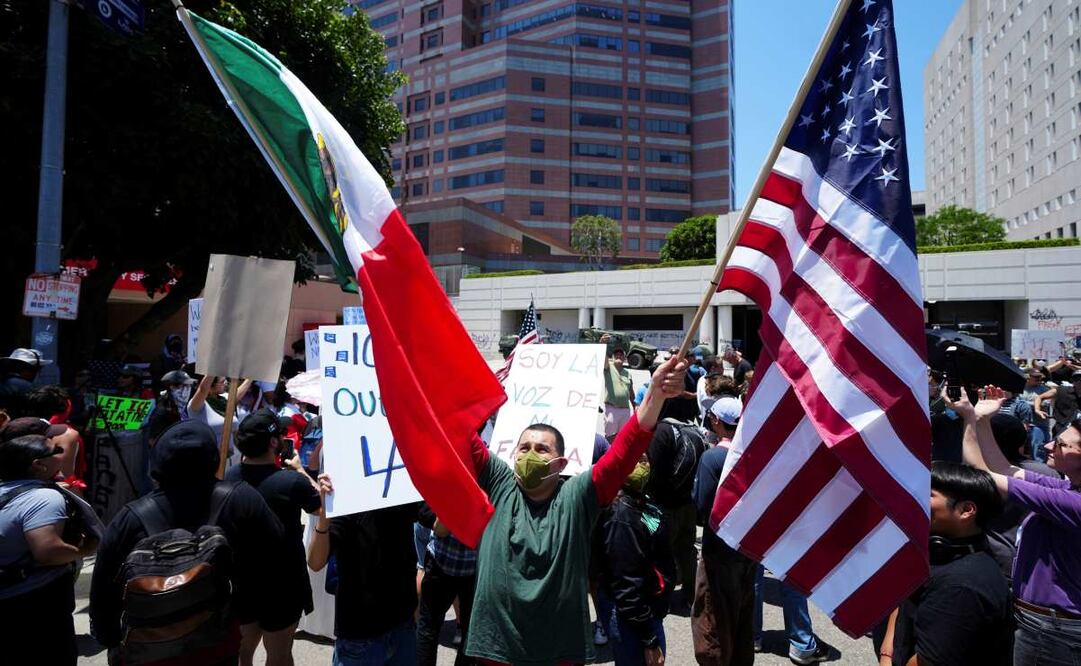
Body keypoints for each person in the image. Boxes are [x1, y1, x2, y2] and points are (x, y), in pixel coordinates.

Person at [462, 355, 687, 665]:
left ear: (561, 464)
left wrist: (656, 394)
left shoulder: (576, 496)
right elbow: (457, 432)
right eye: (524, 448)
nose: (530, 454)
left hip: (560, 652)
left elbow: (624, 453)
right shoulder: (499, 483)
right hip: (496, 650)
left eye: (542, 449)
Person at [90, 420, 285, 662]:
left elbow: (103, 588)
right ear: (213, 458)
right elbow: (275, 557)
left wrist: (110, 639)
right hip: (216, 645)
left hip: (148, 652)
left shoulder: (130, 518)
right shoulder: (241, 499)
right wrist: (241, 610)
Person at [946, 384, 1081, 665]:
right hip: (1047, 624)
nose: (1046, 445)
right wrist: (981, 420)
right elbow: (1002, 469)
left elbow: (983, 476)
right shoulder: (1068, 489)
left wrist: (970, 420)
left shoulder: (1073, 503)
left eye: (1060, 444)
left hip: (1053, 631)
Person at [880, 461, 1011, 666]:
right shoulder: (940, 551)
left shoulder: (961, 586)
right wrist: (887, 653)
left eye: (928, 493)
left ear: (966, 510)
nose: (915, 498)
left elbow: (929, 660)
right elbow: (904, 600)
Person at [225, 410, 321, 666]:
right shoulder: (291, 482)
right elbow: (320, 507)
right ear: (273, 442)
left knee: (241, 653)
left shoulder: (228, 479)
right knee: (279, 655)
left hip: (240, 580)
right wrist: (301, 470)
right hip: (283, 583)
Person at [0, 434, 99, 666]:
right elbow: (47, 551)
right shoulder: (44, 497)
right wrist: (84, 549)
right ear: (38, 465)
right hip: (36, 603)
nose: (61, 453)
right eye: (55, 451)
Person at [307, 479, 426, 665]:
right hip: (360, 634)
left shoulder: (400, 487)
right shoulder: (349, 500)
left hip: (402, 626)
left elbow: (439, 526)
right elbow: (315, 562)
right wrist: (324, 517)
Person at [691, 396, 757, 666]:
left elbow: (701, 506)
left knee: (713, 620)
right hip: (747, 549)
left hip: (718, 552)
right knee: (741, 619)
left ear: (716, 420)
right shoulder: (752, 453)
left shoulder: (712, 458)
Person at [597, 452, 675, 666]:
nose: (639, 465)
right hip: (632, 618)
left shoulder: (641, 500)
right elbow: (626, 583)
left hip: (648, 610)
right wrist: (649, 640)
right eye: (631, 460)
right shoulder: (620, 515)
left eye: (643, 459)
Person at [416, 509, 478, 666]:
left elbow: (430, 519)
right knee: (470, 635)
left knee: (428, 629)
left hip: (443, 559)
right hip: (472, 564)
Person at [188, 374, 253, 467]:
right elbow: (203, 389)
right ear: (210, 387)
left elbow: (237, 395)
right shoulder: (196, 406)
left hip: (234, 460)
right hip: (212, 463)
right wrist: (213, 367)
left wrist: (251, 377)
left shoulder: (222, 399)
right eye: (222, 382)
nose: (226, 383)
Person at [1022, 368, 1057, 462]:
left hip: (1039, 425)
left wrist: (1024, 404)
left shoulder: (1044, 389)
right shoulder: (1021, 388)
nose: (1039, 379)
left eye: (1040, 376)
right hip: (1023, 425)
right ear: (1027, 377)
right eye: (1036, 377)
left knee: (1038, 453)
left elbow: (1045, 403)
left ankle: (1041, 471)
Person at [605, 347, 635, 438]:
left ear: (624, 358)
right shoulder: (608, 368)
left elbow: (631, 392)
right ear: (612, 357)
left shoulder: (628, 373)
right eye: (616, 354)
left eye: (621, 354)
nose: (618, 356)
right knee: (610, 437)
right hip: (612, 409)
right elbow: (603, 357)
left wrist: (635, 407)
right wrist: (603, 344)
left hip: (625, 410)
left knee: (623, 437)